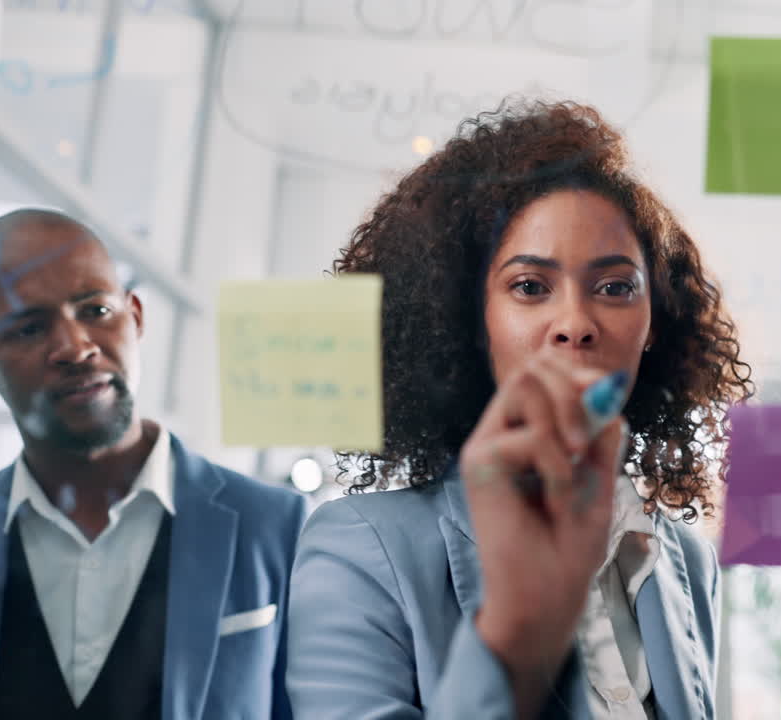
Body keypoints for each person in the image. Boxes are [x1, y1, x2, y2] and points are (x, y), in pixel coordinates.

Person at [286, 100, 753, 719]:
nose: (576, 324)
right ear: (470, 323)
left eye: (615, 287)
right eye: (530, 287)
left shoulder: (686, 561)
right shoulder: (361, 550)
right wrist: (515, 626)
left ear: (654, 326)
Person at [0, 209, 308, 719]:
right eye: (29, 328)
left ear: (135, 315)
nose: (75, 346)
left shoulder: (279, 527)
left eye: (95, 310)